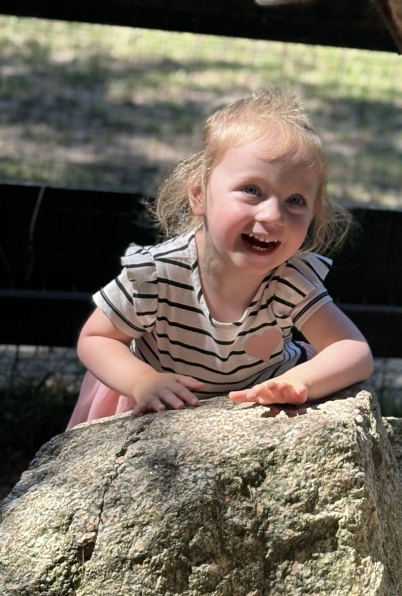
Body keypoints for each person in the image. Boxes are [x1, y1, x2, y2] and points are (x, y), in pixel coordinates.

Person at [67, 90, 373, 429]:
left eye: (296, 200)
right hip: (163, 404)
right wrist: (142, 380)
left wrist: (300, 381)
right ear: (199, 195)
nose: (273, 215)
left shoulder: (290, 279)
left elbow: (352, 349)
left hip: (258, 410)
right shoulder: (158, 274)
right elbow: (97, 338)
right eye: (252, 190)